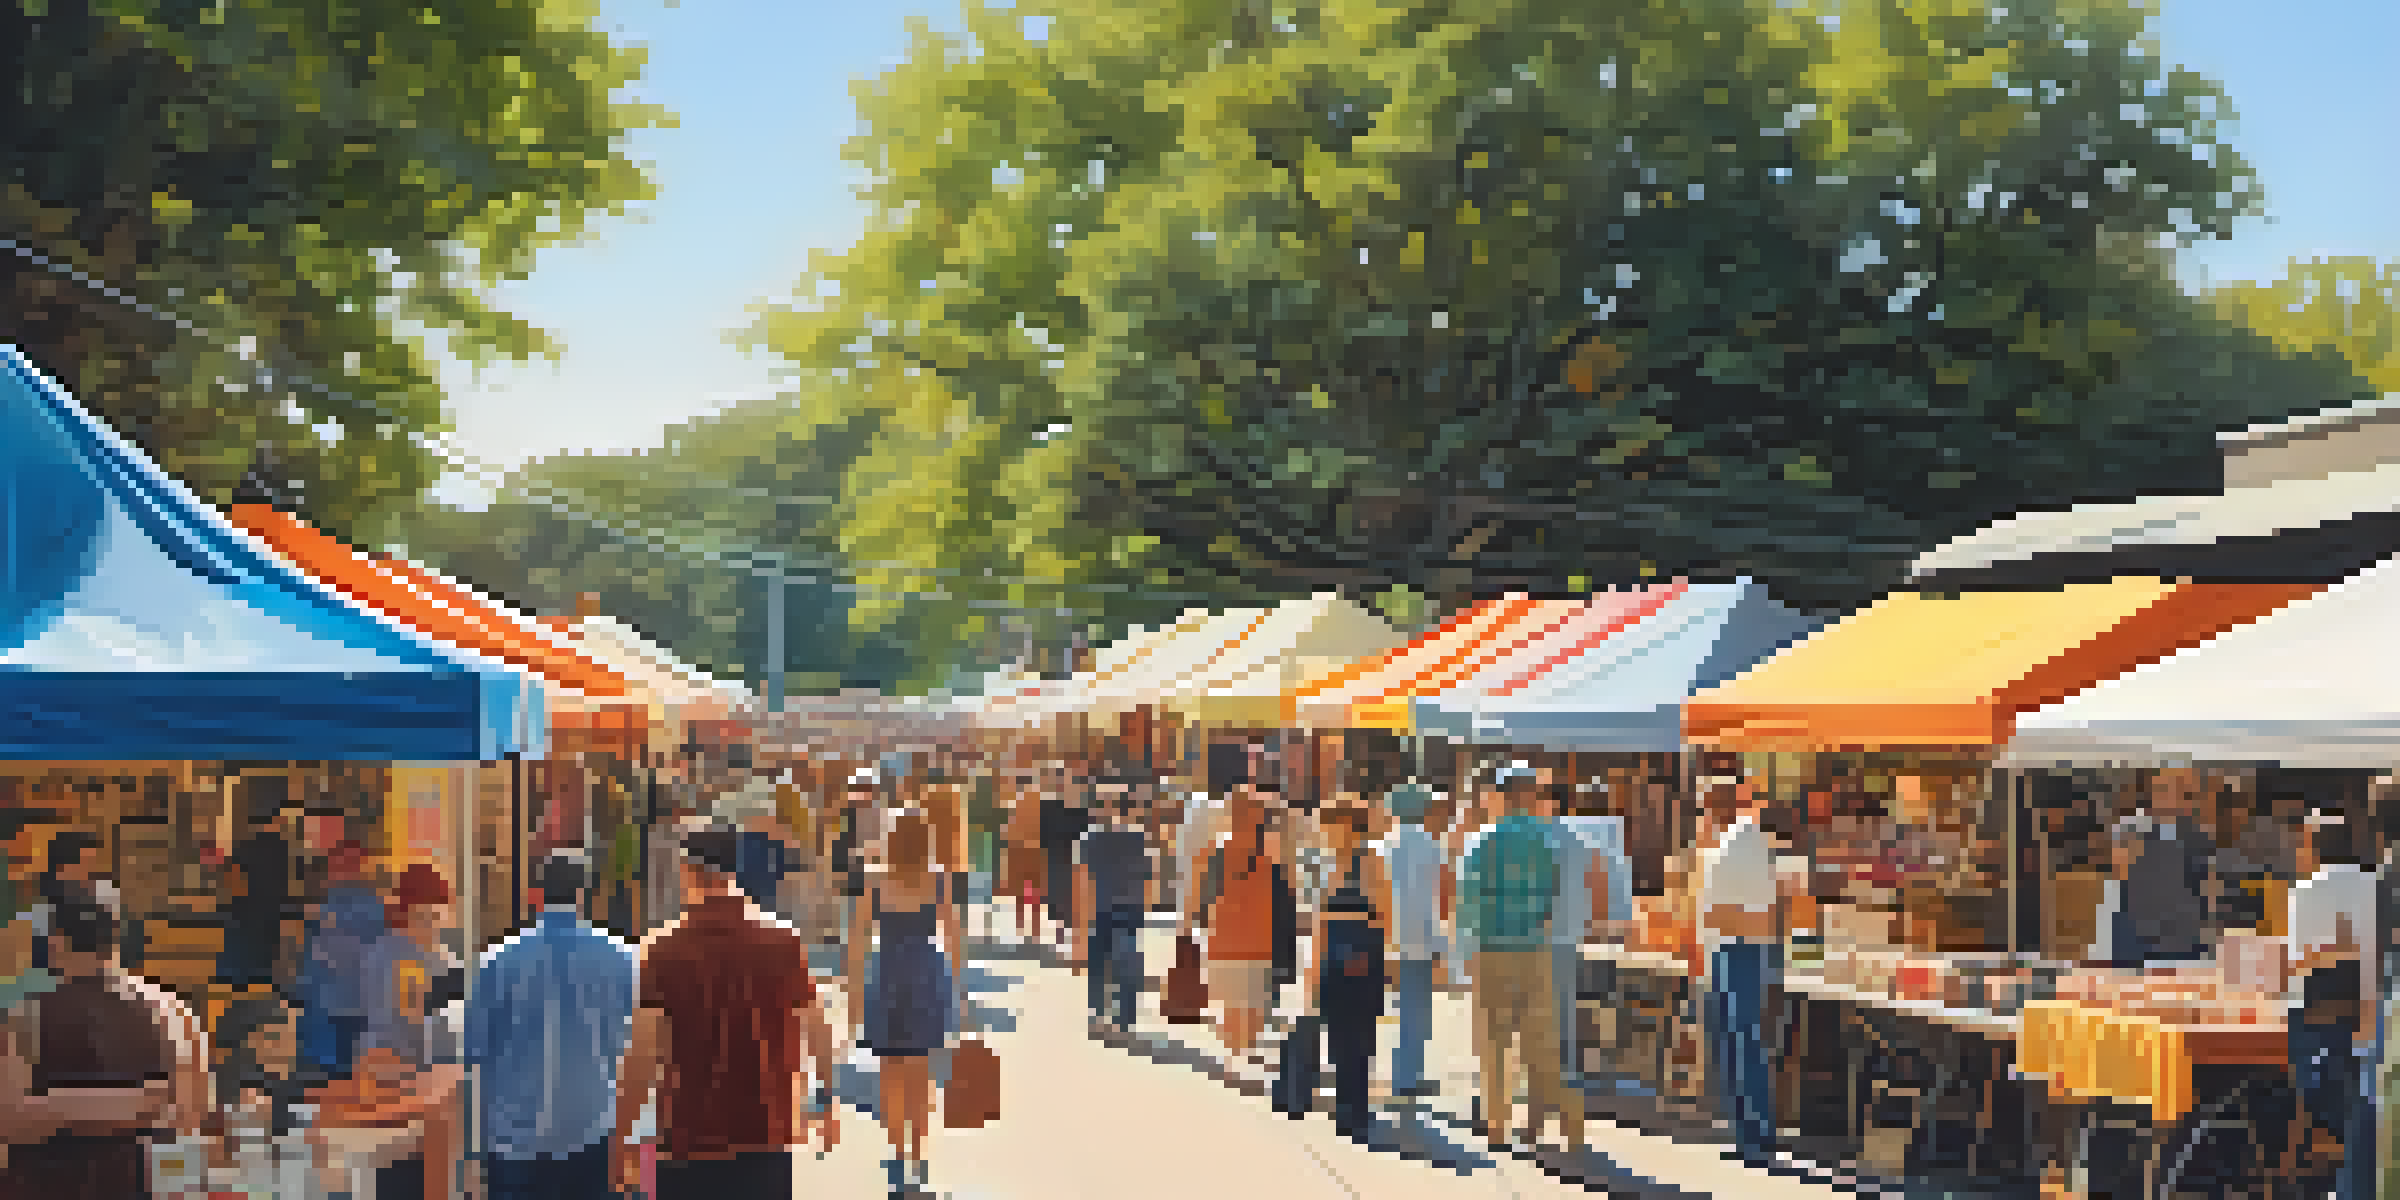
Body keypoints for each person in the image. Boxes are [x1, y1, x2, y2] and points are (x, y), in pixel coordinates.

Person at [615, 827, 839, 1200]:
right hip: (766, 1138)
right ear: (736, 870)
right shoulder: (783, 942)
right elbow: (817, 1031)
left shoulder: (661, 951)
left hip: (686, 1139)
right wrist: (825, 1104)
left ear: (686, 871)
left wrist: (623, 1136)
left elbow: (643, 1054)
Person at [466, 851, 638, 1200]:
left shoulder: (498, 959)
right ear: (586, 893)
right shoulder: (621, 957)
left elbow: (474, 1050)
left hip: (514, 1140)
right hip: (591, 1130)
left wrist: (472, 1150)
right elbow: (633, 1042)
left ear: (536, 893)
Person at [0, 899, 200, 1199]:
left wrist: (68, 1108)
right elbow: (188, 1115)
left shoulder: (27, 1016)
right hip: (138, 1184)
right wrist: (126, 1104)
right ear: (116, 942)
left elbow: (12, 1121)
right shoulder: (173, 1013)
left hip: (52, 1184)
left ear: (56, 943)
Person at [848, 809, 964, 1197]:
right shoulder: (937, 881)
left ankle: (898, 1150)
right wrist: (958, 990)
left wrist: (853, 995)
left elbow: (858, 941)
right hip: (926, 975)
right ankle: (917, 1153)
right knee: (921, 1071)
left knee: (890, 1069)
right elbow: (954, 936)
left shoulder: (877, 880)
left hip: (887, 975)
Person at [1458, 765, 1571, 1151]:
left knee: (1494, 1039)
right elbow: (1552, 897)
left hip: (1492, 947)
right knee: (1536, 1036)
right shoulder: (1545, 841)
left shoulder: (1481, 841)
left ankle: (1496, 1125)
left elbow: (1467, 903)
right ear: (1530, 796)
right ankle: (1534, 1124)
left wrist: (1470, 948)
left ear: (1500, 796)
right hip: (1534, 947)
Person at [2283, 811, 2377, 1200]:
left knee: (2299, 1078)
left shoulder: (2306, 891)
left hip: (2318, 1015)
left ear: (2312, 847)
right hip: (2368, 1012)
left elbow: (2295, 964)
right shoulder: (2375, 885)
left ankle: (2306, 1149)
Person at [357, 862, 464, 1200]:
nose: (431, 925)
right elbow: (411, 1020)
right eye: (423, 916)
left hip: (412, 1077)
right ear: (406, 913)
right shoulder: (400, 958)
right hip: (398, 1078)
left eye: (437, 916)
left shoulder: (442, 959)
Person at [1698, 778, 1781, 1168]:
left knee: (1743, 1043)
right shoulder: (1738, 841)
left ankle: (1756, 1136)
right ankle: (1748, 1133)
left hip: (1738, 949)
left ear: (1716, 806)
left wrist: (1716, 918)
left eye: (1703, 806)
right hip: (1731, 948)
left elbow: (1757, 912)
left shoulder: (1740, 842)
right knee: (1737, 1044)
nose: (1701, 815)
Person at [1307, 802, 1389, 1142]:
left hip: (1361, 965)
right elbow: (1320, 922)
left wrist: (1370, 953)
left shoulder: (1368, 863)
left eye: (1331, 825)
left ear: (1350, 827)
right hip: (1333, 966)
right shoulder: (1327, 866)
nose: (1326, 832)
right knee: (1339, 1041)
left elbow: (1384, 914)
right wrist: (1314, 969)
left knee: (1360, 1041)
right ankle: (1347, 1109)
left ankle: (1357, 1109)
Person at [1375, 782, 1451, 1101]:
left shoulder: (1379, 847)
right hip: (1421, 937)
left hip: (1382, 938)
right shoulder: (1433, 848)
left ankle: (1377, 1074)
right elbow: (1444, 899)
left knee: (1378, 1010)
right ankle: (1407, 1077)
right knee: (1415, 1011)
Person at [1535, 769, 1607, 1098]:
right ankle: (1566, 1073)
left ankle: (1545, 1075)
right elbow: (1595, 882)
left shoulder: (1540, 839)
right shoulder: (1579, 840)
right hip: (1568, 932)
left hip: (1542, 933)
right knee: (1564, 1004)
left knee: (1541, 1006)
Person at [1200, 776, 1280, 1060]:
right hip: (1258, 941)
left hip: (1227, 939)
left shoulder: (1220, 849)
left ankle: (1235, 1058)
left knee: (1232, 1011)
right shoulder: (1271, 852)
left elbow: (1206, 896)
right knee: (1251, 1012)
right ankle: (1242, 1055)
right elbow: (1280, 897)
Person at [1075, 774, 1157, 1038]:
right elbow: (1149, 874)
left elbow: (1083, 881)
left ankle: (1102, 1014)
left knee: (1102, 962)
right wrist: (1147, 905)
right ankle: (1123, 1017)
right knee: (1126, 961)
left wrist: (1082, 918)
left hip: (1105, 907)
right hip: (1126, 907)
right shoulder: (1137, 837)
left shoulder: (1091, 838)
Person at [295, 839, 383, 1080]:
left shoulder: (364, 905)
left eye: (347, 863)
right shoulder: (335, 901)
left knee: (340, 1069)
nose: (336, 870)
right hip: (331, 1003)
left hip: (347, 1002)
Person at [217, 802, 299, 990]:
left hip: (244, 921)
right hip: (272, 922)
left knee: (235, 980)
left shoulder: (243, 847)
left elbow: (232, 885)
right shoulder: (288, 851)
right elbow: (295, 890)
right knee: (264, 980)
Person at [1039, 766, 1092, 959]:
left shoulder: (1081, 809)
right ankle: (1062, 937)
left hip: (1074, 860)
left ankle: (1075, 939)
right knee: (1056, 901)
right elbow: (1042, 836)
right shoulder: (1047, 808)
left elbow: (1086, 835)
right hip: (1054, 859)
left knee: (1075, 901)